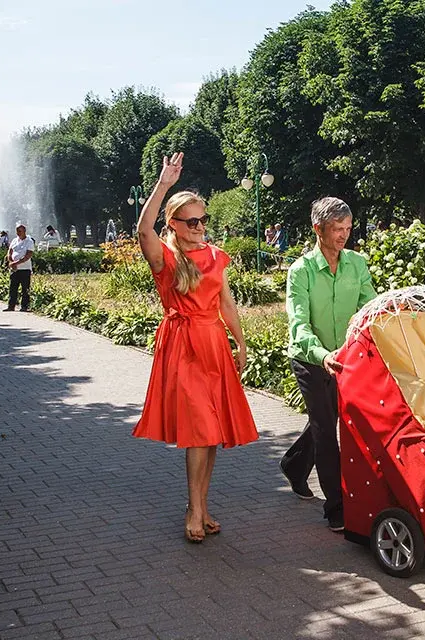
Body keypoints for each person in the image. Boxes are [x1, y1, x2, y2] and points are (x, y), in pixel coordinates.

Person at [131, 152, 258, 543]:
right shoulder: (165, 257)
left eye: (204, 219)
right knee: (200, 427)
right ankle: (194, 509)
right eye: (193, 221)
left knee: (212, 430)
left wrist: (241, 343)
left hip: (214, 344)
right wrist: (164, 184)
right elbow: (142, 231)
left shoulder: (218, 256)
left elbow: (227, 303)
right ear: (175, 224)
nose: (201, 226)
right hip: (183, 345)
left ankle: (200, 506)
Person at [280, 197, 377, 533]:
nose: (343, 235)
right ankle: (336, 506)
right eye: (337, 229)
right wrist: (323, 355)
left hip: (345, 358)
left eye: (347, 228)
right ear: (317, 229)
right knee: (326, 428)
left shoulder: (356, 264)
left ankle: (293, 465)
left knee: (327, 419)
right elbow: (299, 325)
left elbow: (369, 310)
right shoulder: (301, 271)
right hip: (310, 358)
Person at [4, 224, 35, 312]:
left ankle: (24, 306)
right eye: (17, 231)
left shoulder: (29, 241)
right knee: (12, 288)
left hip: (25, 269)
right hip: (14, 269)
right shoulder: (14, 240)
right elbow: (10, 252)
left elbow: (28, 255)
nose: (18, 233)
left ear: (24, 231)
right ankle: (11, 306)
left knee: (25, 289)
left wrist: (16, 263)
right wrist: (10, 262)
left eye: (20, 231)